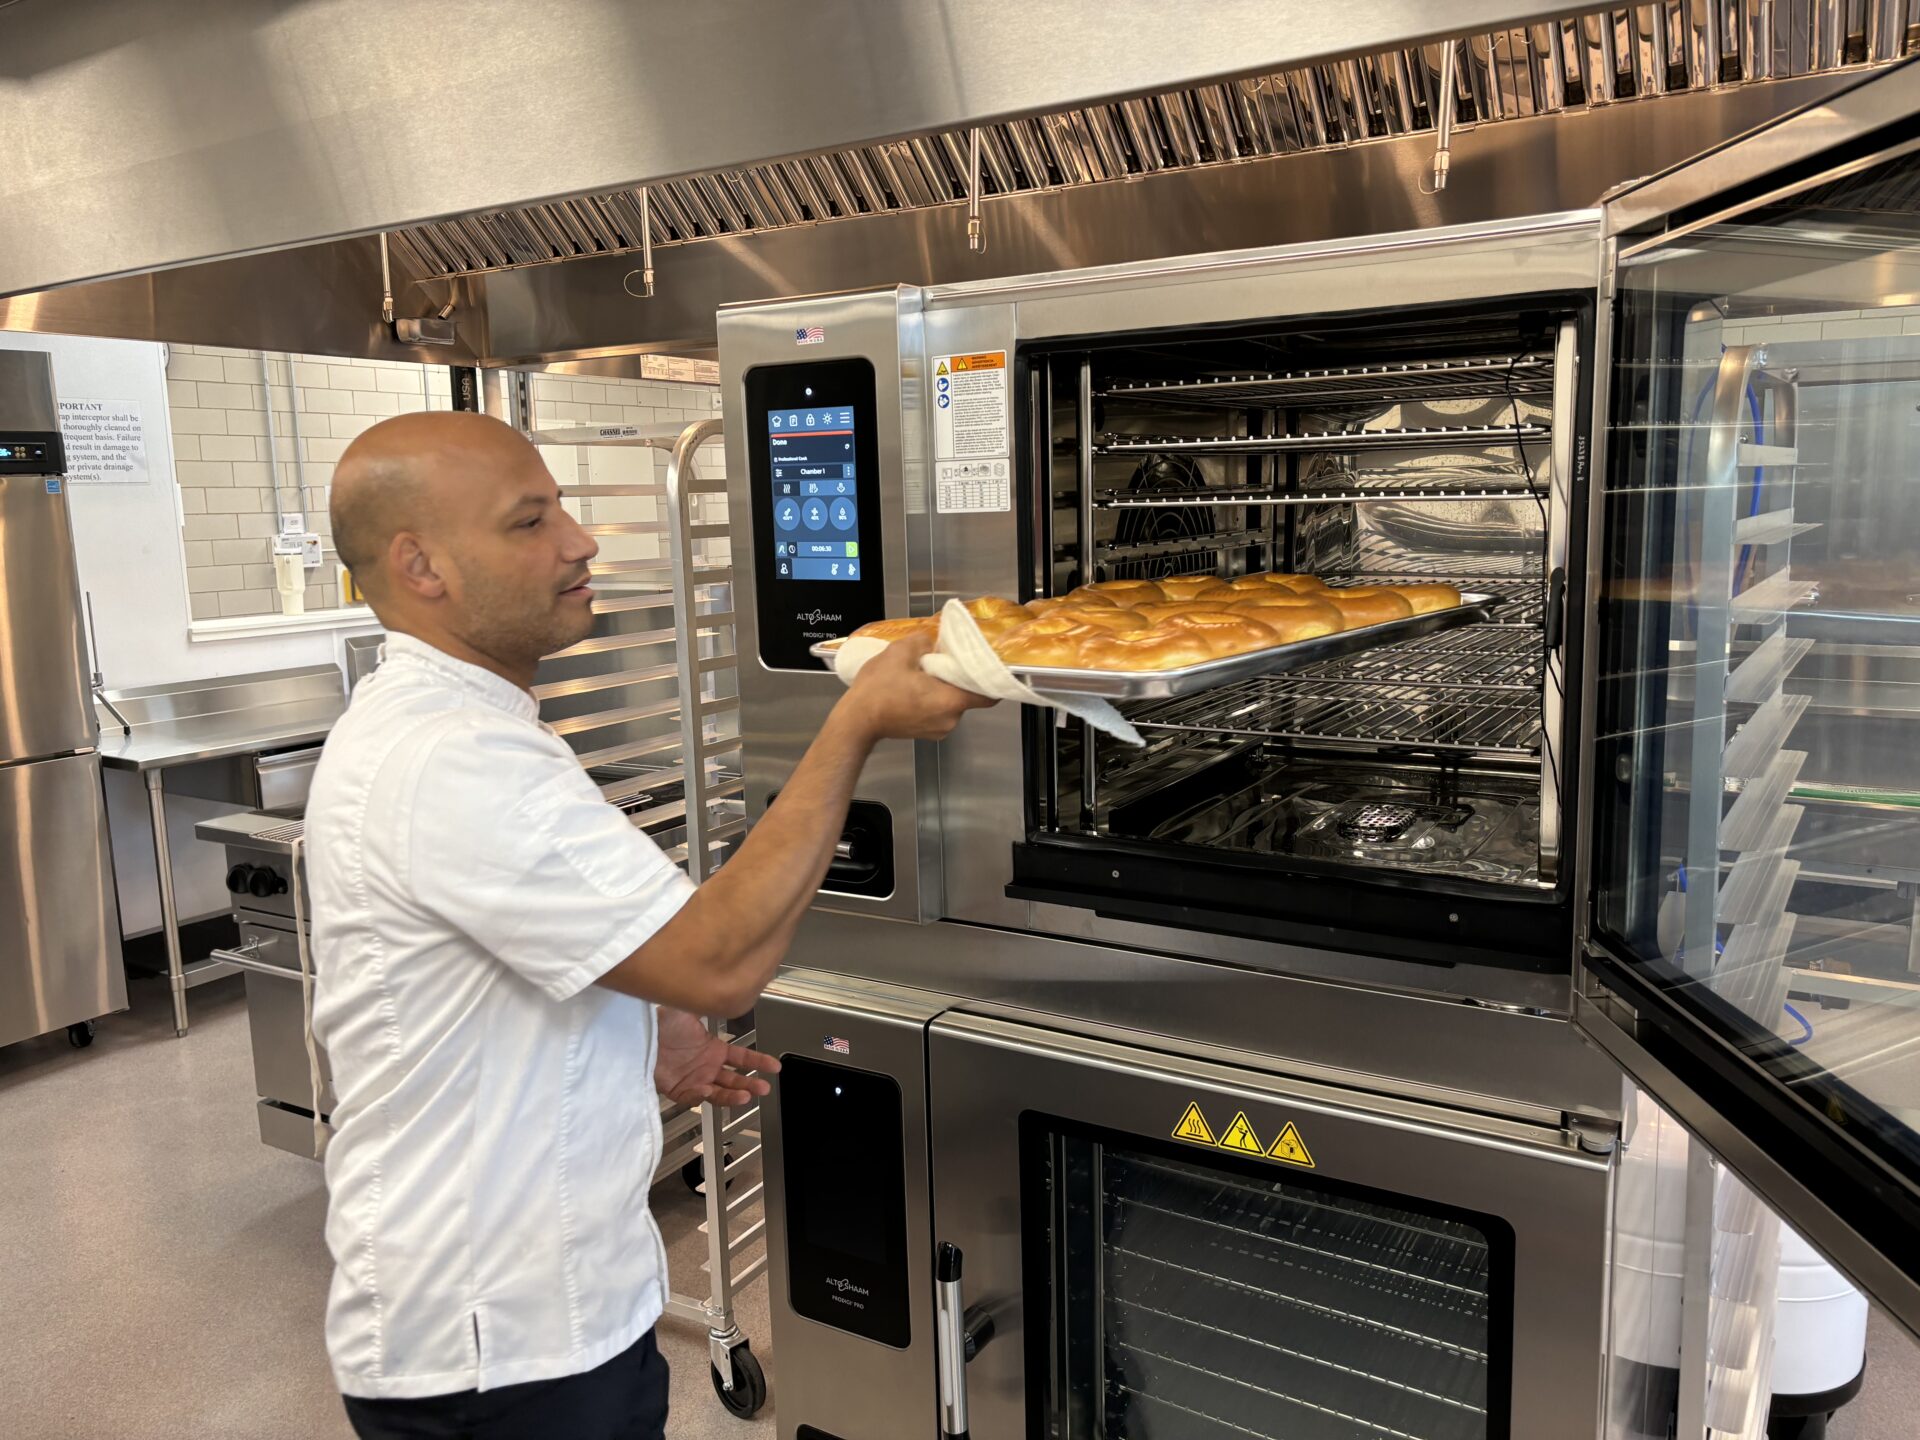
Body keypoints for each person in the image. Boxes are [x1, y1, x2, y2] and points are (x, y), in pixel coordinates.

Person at [307, 411, 990, 1439]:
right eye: (531, 521)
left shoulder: (463, 728)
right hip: (501, 1349)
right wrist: (855, 724)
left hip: (534, 1310)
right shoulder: (449, 758)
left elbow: (539, 943)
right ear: (422, 565)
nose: (581, 542)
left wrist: (655, 1030)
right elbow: (719, 961)